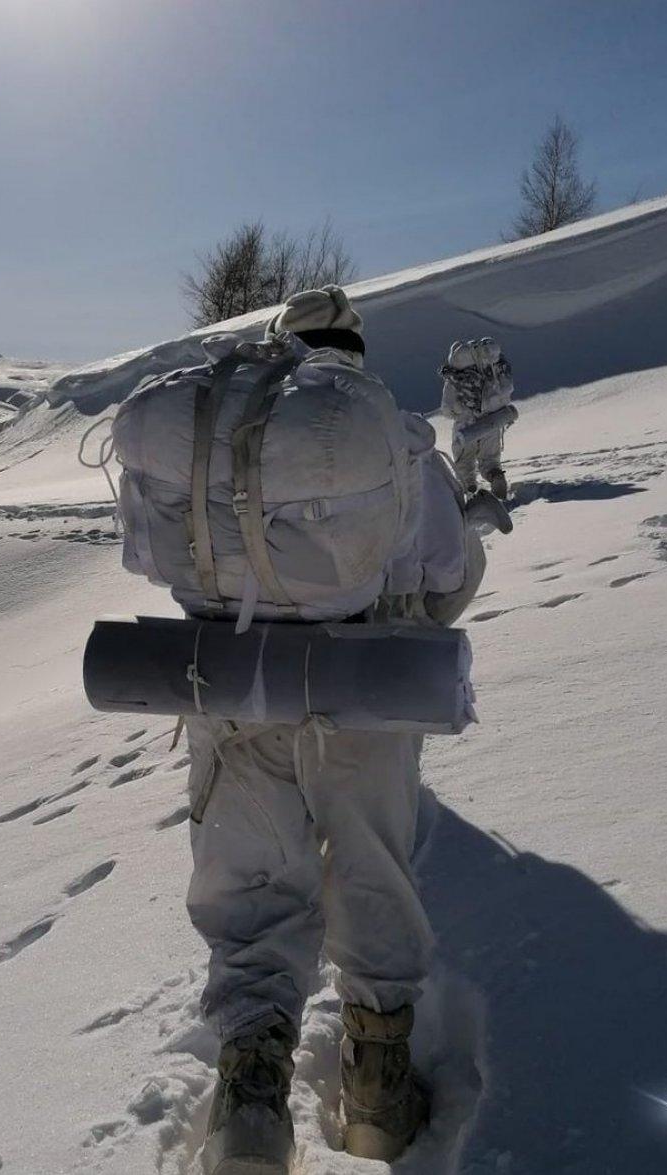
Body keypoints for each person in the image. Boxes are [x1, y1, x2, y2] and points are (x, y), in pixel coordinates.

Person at [164, 291, 490, 1172]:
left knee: (254, 889)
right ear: (354, 349)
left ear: (282, 347)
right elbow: (450, 579)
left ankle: (252, 1109)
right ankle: (379, 1092)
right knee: (373, 868)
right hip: (365, 696)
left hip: (234, 690)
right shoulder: (391, 435)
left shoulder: (226, 426)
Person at [441, 337, 515, 499]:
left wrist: (457, 413)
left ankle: (470, 492)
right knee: (490, 460)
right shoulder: (493, 370)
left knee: (464, 462)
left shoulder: (455, 377)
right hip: (492, 421)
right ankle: (496, 478)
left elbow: (447, 408)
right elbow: (505, 394)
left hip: (466, 426)